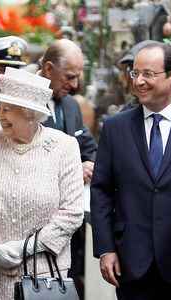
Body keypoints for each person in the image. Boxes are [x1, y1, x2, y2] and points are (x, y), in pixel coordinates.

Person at [0, 67, 84, 299]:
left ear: (29, 113)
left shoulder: (64, 147)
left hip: (45, 276)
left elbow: (72, 214)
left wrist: (23, 248)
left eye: (7, 109)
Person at [91, 42, 171, 299]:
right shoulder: (115, 128)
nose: (139, 81)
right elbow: (101, 190)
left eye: (148, 74)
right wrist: (105, 249)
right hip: (131, 263)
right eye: (135, 73)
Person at [38, 39, 97, 298]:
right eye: (69, 77)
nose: (74, 85)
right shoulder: (24, 103)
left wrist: (90, 163)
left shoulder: (71, 105)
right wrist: (76, 168)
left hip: (70, 223)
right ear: (48, 69)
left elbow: (87, 144)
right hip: (38, 222)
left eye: (78, 77)